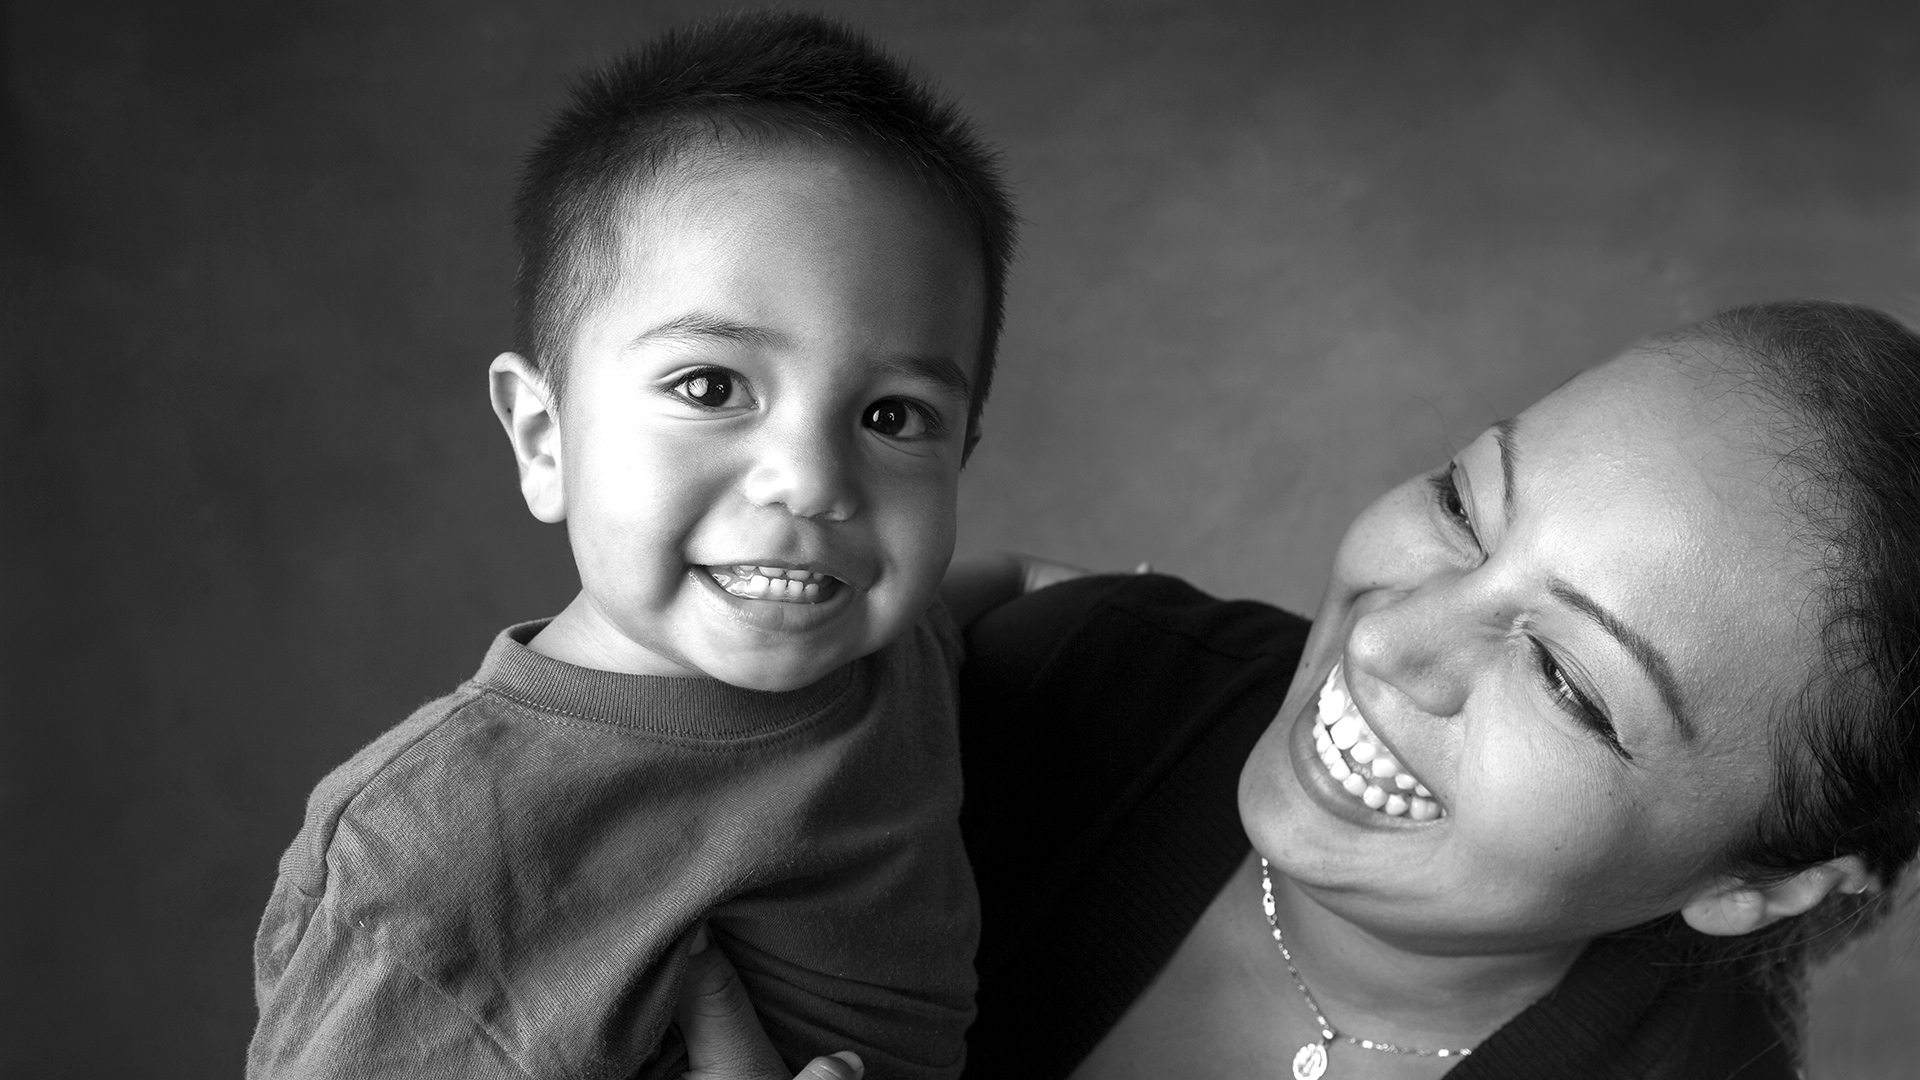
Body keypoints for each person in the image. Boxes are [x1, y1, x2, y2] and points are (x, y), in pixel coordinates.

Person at [679, 299, 1920, 1079]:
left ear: (1763, 884)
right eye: (1463, 505)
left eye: (1566, 680)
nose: (1386, 644)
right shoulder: (1066, 680)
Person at [247, 13, 1016, 1080]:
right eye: (710, 386)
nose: (810, 480)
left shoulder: (896, 656)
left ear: (962, 453)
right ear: (544, 438)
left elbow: (976, 594)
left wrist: (1082, 591)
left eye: (893, 416)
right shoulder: (429, 864)